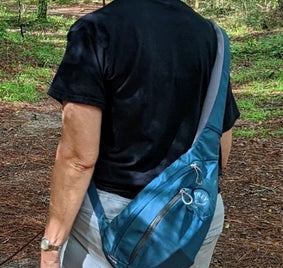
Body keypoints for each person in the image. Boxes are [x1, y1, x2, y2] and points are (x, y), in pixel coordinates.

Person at [40, 0, 240, 267]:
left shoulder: (96, 31)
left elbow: (78, 158)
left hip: (117, 220)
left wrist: (51, 245)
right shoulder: (211, 36)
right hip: (193, 214)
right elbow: (220, 148)